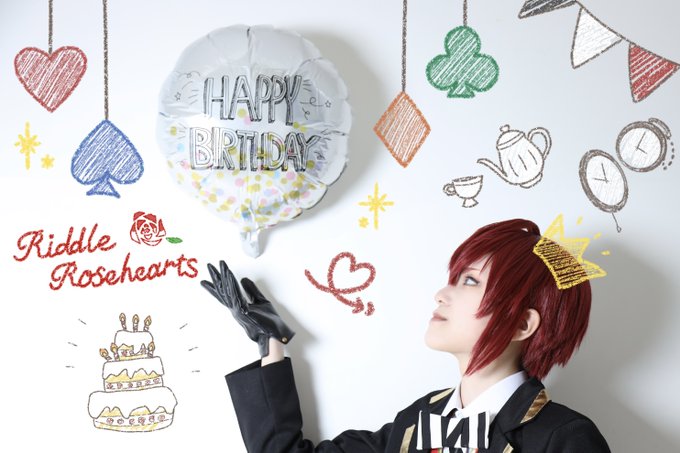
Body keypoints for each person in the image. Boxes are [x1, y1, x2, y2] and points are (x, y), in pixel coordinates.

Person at [201, 219, 611, 452]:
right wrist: (270, 344)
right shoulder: (417, 421)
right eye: (454, 278)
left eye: (470, 281)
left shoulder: (564, 438)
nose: (442, 293)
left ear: (523, 324)